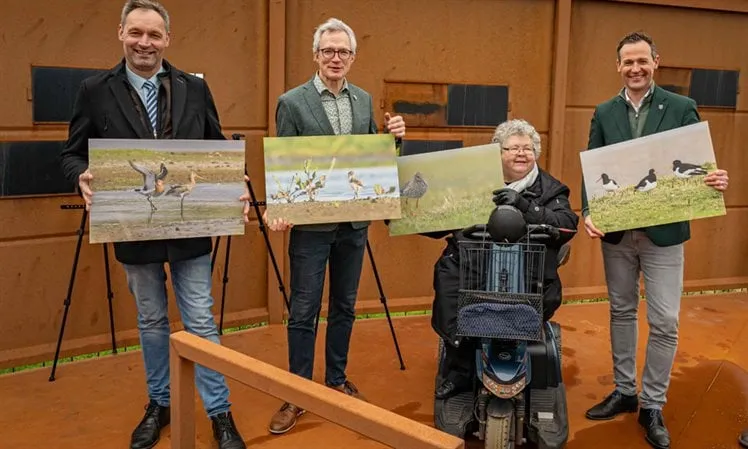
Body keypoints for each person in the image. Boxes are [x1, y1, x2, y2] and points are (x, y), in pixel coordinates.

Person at [59, 1, 246, 448]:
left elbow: (215, 148)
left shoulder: (194, 89)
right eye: (136, 33)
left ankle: (219, 413)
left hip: (191, 231)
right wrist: (80, 177)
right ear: (121, 32)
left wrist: (232, 181)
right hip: (132, 231)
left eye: (154, 35)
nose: (145, 43)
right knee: (151, 319)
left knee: (200, 320)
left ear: (168, 39)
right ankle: (159, 403)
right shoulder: (94, 90)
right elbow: (71, 154)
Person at [581, 31, 729, 449]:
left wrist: (712, 179)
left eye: (642, 60)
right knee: (621, 311)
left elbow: (699, 165)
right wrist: (589, 211)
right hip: (619, 234)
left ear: (656, 61)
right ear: (618, 66)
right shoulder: (604, 111)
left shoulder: (681, 108)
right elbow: (593, 165)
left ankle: (652, 405)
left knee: (665, 320)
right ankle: (625, 391)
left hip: (665, 237)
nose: (635, 68)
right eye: (627, 62)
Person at [258, 17, 406, 435]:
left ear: (353, 57)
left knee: (344, 306)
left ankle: (336, 379)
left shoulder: (363, 99)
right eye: (328, 51)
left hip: (354, 224)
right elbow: (284, 162)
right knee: (303, 309)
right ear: (316, 55)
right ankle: (298, 391)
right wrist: (279, 206)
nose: (335, 57)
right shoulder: (292, 102)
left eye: (343, 51)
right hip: (310, 227)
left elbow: (373, 156)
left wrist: (395, 138)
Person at [430, 118, 579, 400]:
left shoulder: (551, 188)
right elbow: (438, 219)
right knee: (451, 283)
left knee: (540, 296)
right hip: (474, 264)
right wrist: (406, 217)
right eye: (512, 148)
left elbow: (566, 225)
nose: (521, 153)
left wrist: (525, 205)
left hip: (528, 268)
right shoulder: (474, 183)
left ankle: (524, 358)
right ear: (497, 153)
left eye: (527, 148)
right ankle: (459, 369)